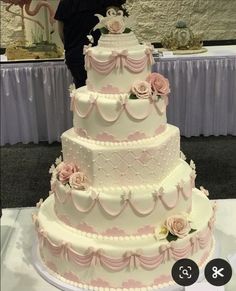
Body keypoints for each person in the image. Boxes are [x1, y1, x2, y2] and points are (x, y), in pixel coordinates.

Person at [54, 0, 126, 88]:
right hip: (102, 55)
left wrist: (70, 49)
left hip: (77, 55)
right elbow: (116, 22)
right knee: (105, 92)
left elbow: (61, 31)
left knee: (83, 94)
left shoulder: (66, 2)